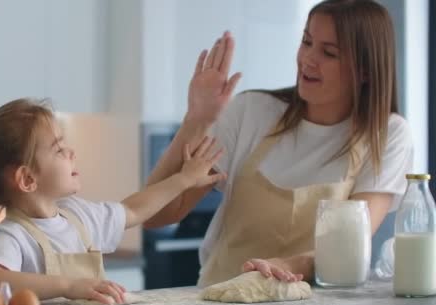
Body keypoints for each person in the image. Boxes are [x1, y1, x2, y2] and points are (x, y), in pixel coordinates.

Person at [145, 0, 413, 287]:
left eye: (329, 53)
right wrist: (195, 120)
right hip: (219, 301)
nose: (308, 58)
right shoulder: (251, 111)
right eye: (307, 42)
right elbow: (158, 214)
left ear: (366, 71)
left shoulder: (385, 134)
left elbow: (349, 246)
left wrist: (283, 267)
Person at [0, 99, 224, 305]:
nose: (71, 152)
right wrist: (70, 286)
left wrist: (184, 180)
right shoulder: (11, 235)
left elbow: (134, 209)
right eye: (58, 149)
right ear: (28, 179)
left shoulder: (79, 216)